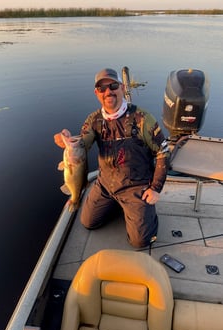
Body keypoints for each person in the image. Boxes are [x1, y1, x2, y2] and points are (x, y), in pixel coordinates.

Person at [56, 68, 170, 248]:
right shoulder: (93, 120)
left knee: (140, 241)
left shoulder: (142, 118)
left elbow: (163, 151)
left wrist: (156, 188)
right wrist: (66, 140)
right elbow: (82, 143)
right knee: (88, 222)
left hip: (136, 186)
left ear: (122, 88)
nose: (108, 91)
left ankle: (147, 215)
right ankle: (119, 205)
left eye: (113, 86)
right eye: (102, 88)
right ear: (97, 93)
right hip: (106, 185)